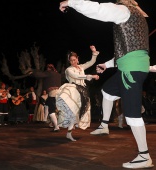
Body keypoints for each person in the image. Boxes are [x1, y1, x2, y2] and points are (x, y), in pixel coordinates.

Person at [59, 0, 154, 168]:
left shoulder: (125, 11)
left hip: (130, 72)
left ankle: (144, 156)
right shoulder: (140, 20)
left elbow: (98, 10)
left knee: (132, 115)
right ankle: (104, 125)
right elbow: (127, 51)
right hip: (130, 67)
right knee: (108, 91)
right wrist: (107, 65)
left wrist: (71, 2)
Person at [56, 45, 99, 141]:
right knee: (73, 112)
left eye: (74, 60)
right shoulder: (69, 70)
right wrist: (91, 76)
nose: (73, 62)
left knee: (78, 112)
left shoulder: (81, 67)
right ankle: (69, 133)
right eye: (71, 60)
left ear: (77, 59)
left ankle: (69, 132)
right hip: (73, 90)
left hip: (83, 92)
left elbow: (92, 62)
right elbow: (76, 77)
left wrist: (94, 52)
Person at [31, 64, 61, 132]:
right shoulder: (58, 74)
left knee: (51, 111)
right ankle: (51, 122)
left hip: (53, 93)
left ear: (48, 68)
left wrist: (32, 73)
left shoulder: (49, 72)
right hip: (59, 93)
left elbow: (39, 75)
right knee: (47, 105)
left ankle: (56, 127)